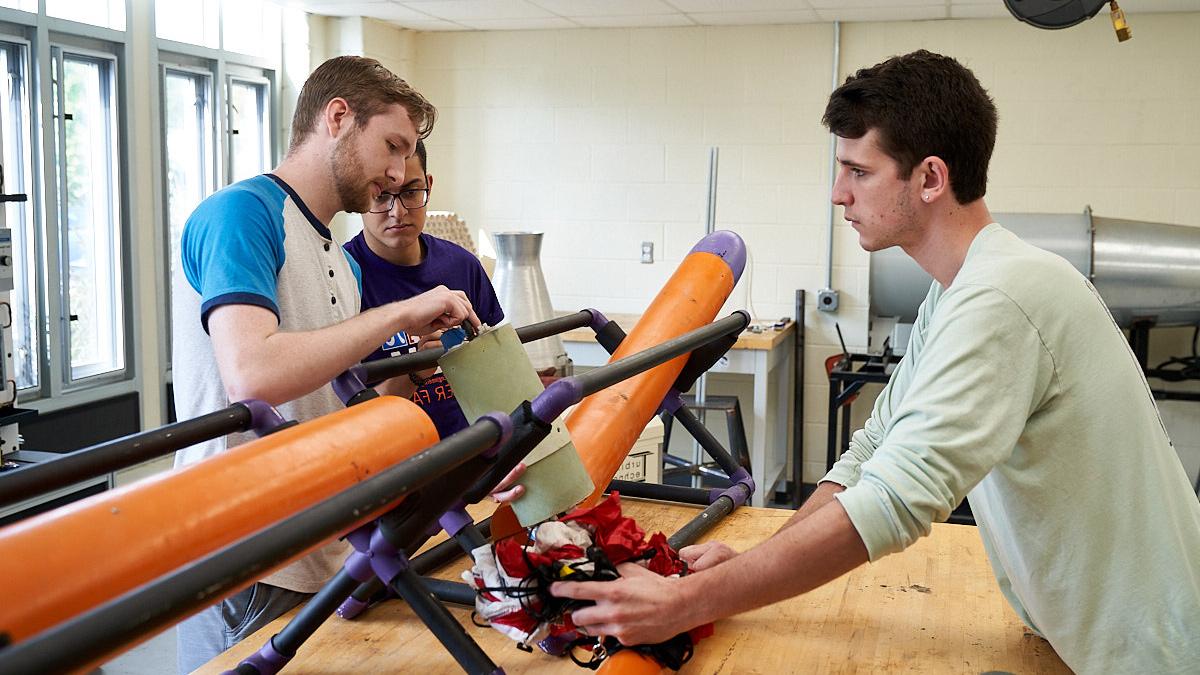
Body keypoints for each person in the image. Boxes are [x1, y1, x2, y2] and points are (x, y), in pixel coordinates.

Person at [552, 50, 1200, 674]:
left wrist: (686, 603)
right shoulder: (957, 292)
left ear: (930, 179)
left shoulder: (1005, 295)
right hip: (1082, 638)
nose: (839, 194)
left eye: (858, 171)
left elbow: (893, 501)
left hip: (1155, 653)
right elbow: (871, 454)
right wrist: (742, 565)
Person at [171, 56, 480, 673]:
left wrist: (416, 372)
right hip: (248, 552)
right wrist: (397, 315)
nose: (398, 174)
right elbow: (253, 375)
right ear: (338, 118)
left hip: (324, 548)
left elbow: (341, 394)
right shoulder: (242, 214)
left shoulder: (341, 259)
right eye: (392, 146)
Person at [343, 139, 507, 443]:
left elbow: (499, 376)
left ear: (428, 186)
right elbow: (345, 422)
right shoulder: (340, 281)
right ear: (359, 195)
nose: (398, 212)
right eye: (380, 196)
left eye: (410, 192)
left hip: (469, 459)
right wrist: (415, 372)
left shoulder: (463, 267)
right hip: (384, 470)